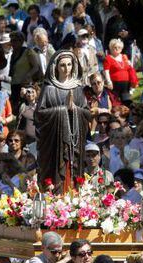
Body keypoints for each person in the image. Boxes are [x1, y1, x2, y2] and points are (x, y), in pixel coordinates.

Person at [35, 50, 91, 192]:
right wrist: (62, 110)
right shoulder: (48, 89)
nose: (66, 69)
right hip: (54, 143)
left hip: (74, 143)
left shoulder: (78, 89)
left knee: (72, 176)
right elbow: (39, 114)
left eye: (69, 65)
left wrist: (75, 110)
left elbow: (87, 113)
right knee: (54, 176)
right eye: (62, 65)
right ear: (55, 67)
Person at [9, 31, 41, 115]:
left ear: (21, 41)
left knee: (25, 108)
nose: (12, 43)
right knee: (15, 109)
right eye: (11, 41)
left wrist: (27, 76)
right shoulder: (13, 54)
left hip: (26, 85)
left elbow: (36, 67)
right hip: (15, 85)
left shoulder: (28, 52)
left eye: (15, 40)